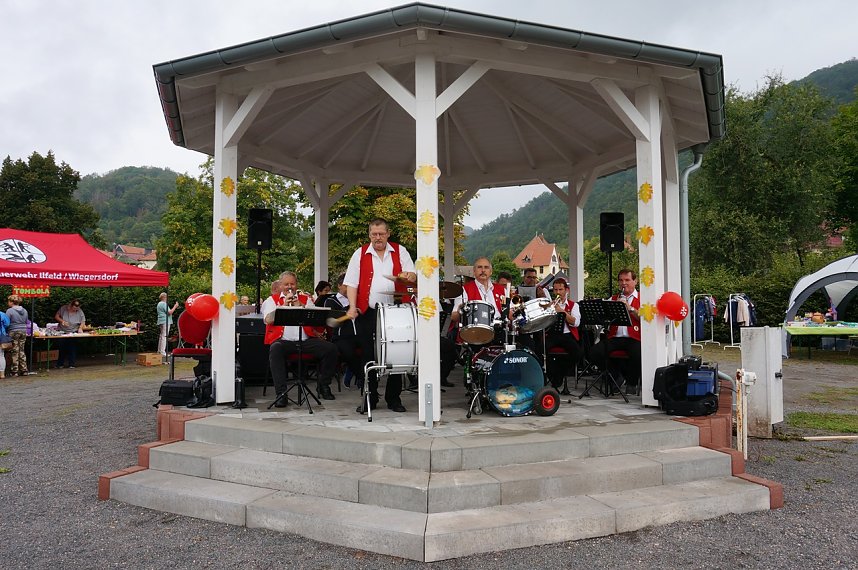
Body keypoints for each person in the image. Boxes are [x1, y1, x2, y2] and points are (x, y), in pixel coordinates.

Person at [344, 218, 416, 413]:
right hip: (369, 312)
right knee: (368, 355)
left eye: (381, 234)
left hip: (396, 312)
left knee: (397, 354)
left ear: (388, 234)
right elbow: (351, 284)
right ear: (369, 235)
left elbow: (413, 276)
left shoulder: (400, 251)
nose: (378, 237)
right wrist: (352, 306)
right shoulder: (360, 254)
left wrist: (410, 276)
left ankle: (394, 398)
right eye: (374, 234)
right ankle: (370, 397)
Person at [263, 271, 338, 407]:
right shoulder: (271, 300)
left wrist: (301, 307)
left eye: (292, 284)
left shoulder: (306, 299)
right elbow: (268, 319)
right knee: (275, 349)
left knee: (331, 349)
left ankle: (323, 385)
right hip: (283, 341)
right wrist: (283, 306)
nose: (289, 287)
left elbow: (317, 318)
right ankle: (281, 394)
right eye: (286, 284)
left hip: (305, 340)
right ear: (280, 285)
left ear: (296, 284)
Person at [451, 257, 508, 347]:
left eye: (486, 267)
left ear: (491, 272)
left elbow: (510, 312)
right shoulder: (464, 290)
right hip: (475, 334)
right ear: (474, 271)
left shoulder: (502, 290)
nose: (483, 270)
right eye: (479, 267)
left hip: (499, 332)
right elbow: (454, 317)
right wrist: (460, 310)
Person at [321, 273, 364, 390]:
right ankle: (363, 378)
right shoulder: (331, 300)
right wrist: (349, 311)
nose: (350, 288)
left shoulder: (358, 299)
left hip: (360, 334)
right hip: (342, 336)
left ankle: (355, 373)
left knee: (371, 350)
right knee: (348, 352)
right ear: (339, 286)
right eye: (347, 285)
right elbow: (332, 319)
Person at [605, 268, 642, 395]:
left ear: (635, 281)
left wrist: (630, 308)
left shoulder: (643, 298)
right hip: (615, 337)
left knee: (637, 353)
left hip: (634, 337)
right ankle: (617, 377)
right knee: (595, 353)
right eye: (621, 280)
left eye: (627, 280)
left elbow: (644, 319)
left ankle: (632, 383)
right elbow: (606, 317)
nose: (623, 283)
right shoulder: (613, 298)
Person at [543, 278, 581, 389]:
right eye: (555, 290)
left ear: (566, 290)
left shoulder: (573, 305)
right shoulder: (550, 304)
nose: (558, 292)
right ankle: (548, 375)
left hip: (567, 334)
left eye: (560, 289)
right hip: (553, 335)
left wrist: (562, 311)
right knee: (541, 349)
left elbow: (576, 322)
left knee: (577, 353)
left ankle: (560, 374)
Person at [55, 299, 85, 368]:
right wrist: (62, 321)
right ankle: (60, 364)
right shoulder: (63, 308)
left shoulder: (79, 311)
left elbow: (83, 321)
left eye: (77, 308)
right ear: (71, 306)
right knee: (62, 348)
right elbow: (56, 316)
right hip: (62, 331)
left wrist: (80, 328)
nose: (76, 309)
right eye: (74, 308)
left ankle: (72, 364)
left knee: (72, 348)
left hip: (73, 331)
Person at [6, 295, 29, 376]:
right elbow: (26, 321)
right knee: (22, 350)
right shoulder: (25, 310)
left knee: (15, 350)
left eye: (8, 301)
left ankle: (14, 371)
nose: (8, 303)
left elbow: (6, 322)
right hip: (23, 331)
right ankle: (24, 369)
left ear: (12, 302)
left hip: (13, 331)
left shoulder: (10, 311)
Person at [156, 292, 179, 360]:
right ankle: (162, 352)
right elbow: (170, 312)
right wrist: (175, 306)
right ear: (165, 297)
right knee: (164, 336)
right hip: (165, 321)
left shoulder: (159, 304)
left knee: (161, 336)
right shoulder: (163, 304)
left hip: (161, 321)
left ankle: (159, 351)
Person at [0, 309, 10, 379]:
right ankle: (2, 374)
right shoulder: (2, 314)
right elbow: (7, 324)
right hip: (1, 336)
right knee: (1, 355)